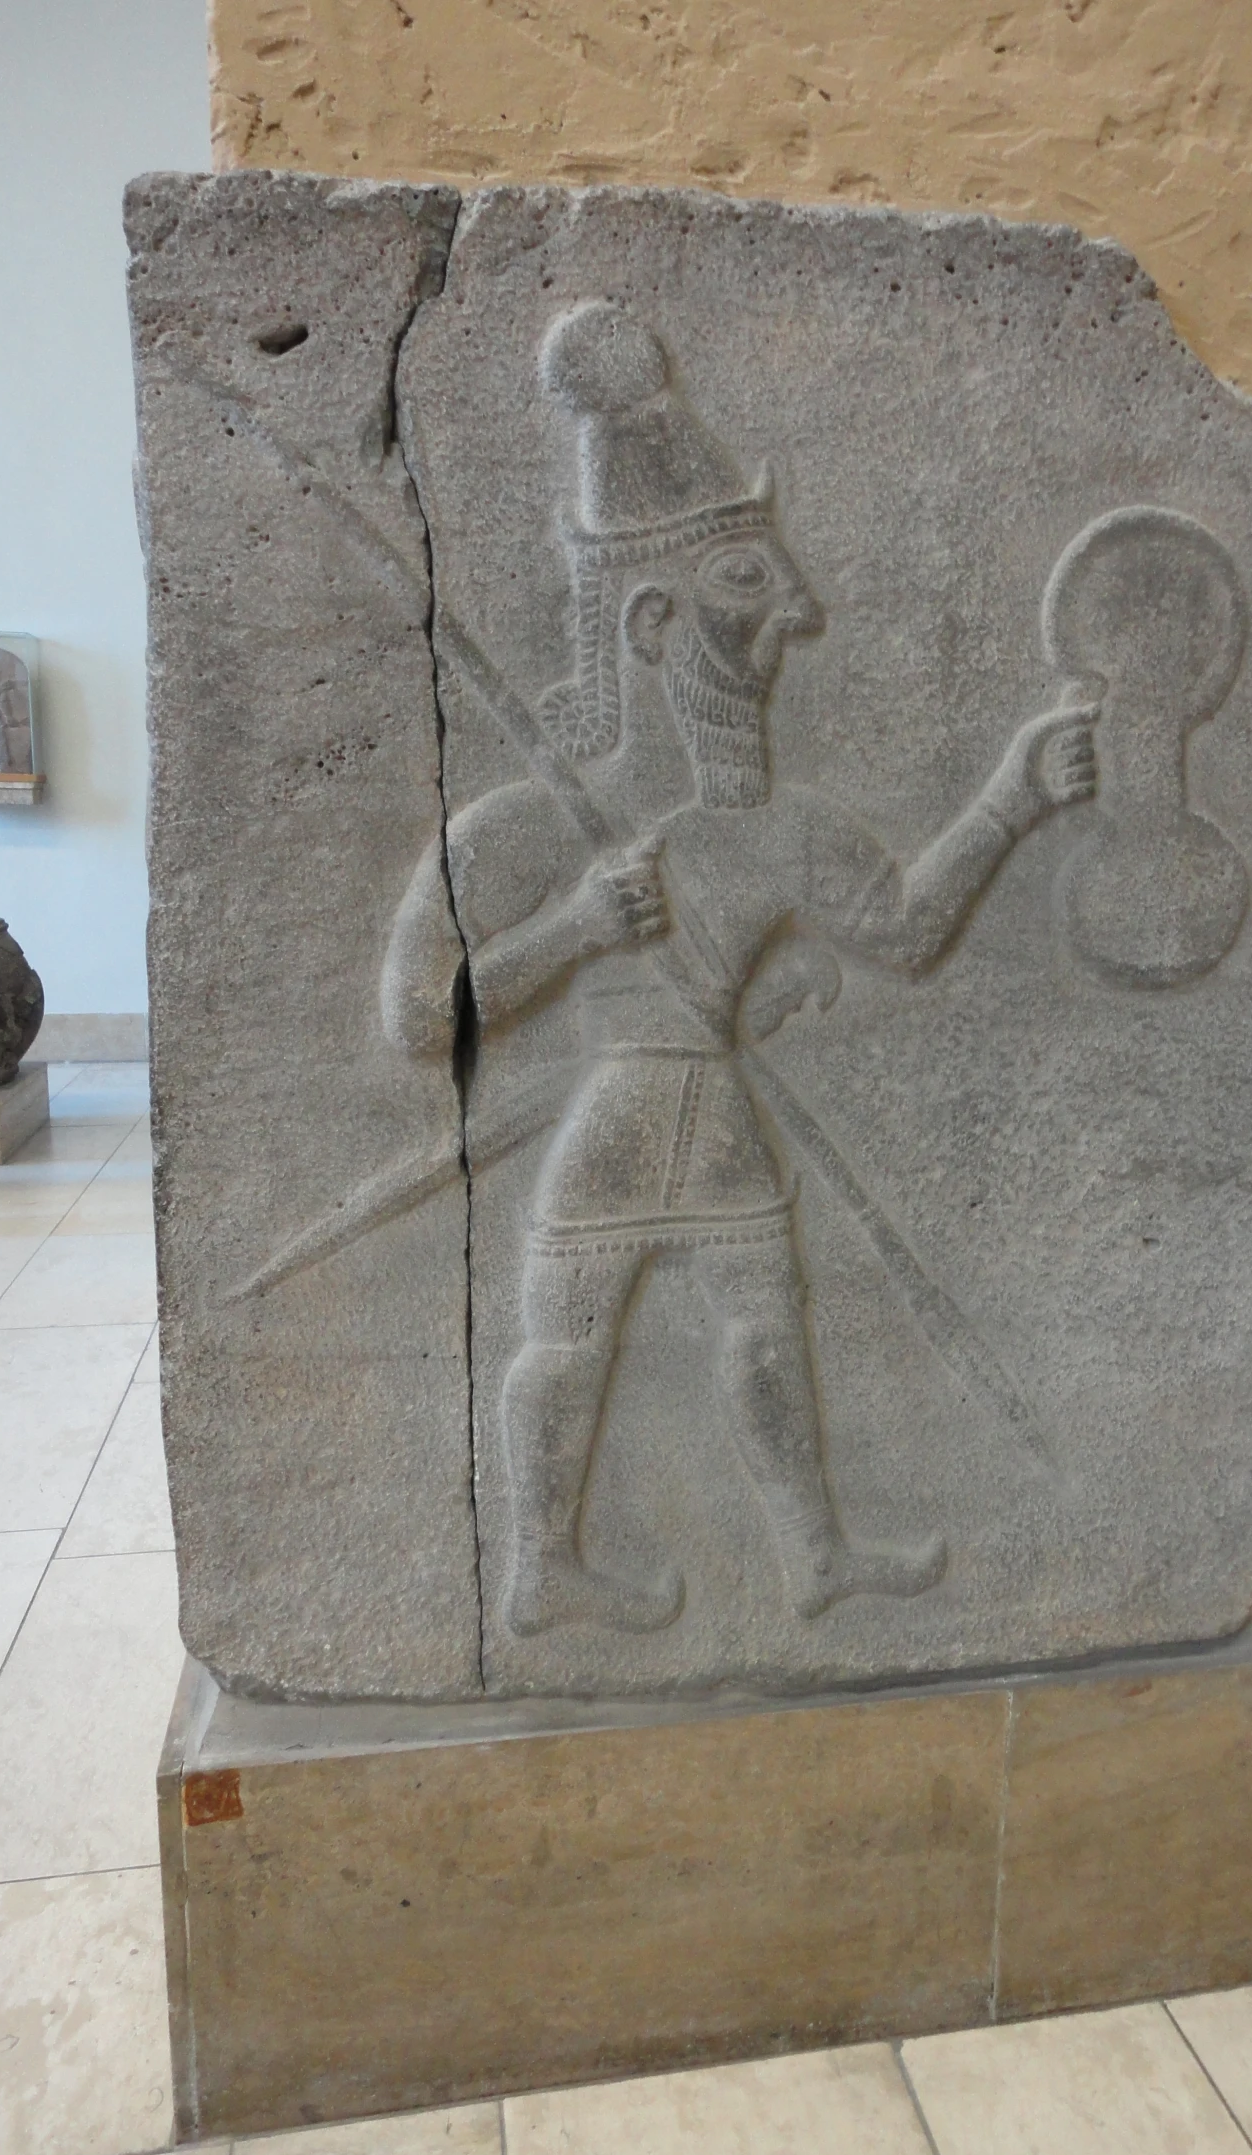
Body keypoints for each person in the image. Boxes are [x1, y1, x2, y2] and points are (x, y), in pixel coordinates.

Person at [387, 302, 1097, 1636]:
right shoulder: (532, 828)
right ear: (651, 622)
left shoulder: (785, 831)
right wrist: (573, 933)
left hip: (711, 1115)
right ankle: (538, 1566)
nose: (800, 614)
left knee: (765, 1337)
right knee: (567, 1344)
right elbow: (421, 1022)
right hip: (616, 1124)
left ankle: (812, 1555)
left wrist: (1010, 797)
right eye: (748, 586)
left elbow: (900, 932)